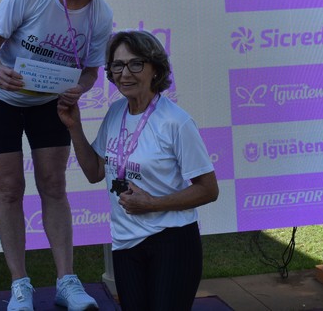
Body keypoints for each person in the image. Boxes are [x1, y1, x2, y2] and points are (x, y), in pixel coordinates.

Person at [0, 0, 123, 311]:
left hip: (48, 101)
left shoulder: (100, 16)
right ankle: (20, 285)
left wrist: (81, 88)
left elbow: (90, 70)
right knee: (9, 188)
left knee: (54, 185)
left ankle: (66, 283)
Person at [57, 30, 220, 311]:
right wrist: (74, 127)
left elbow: (208, 189)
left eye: (135, 64)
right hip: (125, 243)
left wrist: (152, 203)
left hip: (172, 241)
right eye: (117, 65)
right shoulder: (116, 112)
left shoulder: (175, 122)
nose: (125, 73)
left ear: (154, 68)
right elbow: (95, 171)